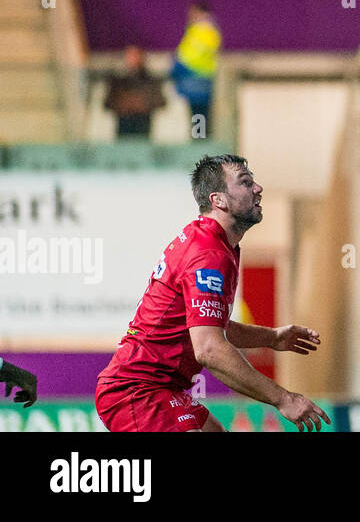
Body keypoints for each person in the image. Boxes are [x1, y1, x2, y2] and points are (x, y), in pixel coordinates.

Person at [95, 155, 329, 432]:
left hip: (162, 389)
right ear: (219, 200)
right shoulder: (208, 254)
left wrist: (273, 337)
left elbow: (212, 326)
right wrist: (283, 398)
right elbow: (209, 349)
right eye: (246, 182)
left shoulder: (214, 243)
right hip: (136, 392)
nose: (258, 188)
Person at [171, 1, 220, 137]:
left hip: (199, 81)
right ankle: (199, 144)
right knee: (197, 118)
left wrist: (179, 65)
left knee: (199, 119)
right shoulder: (199, 30)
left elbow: (194, 55)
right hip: (196, 82)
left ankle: (201, 150)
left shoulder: (204, 31)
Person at [104, 44, 166, 138]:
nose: (133, 59)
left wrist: (143, 104)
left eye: (136, 55)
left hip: (143, 127)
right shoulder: (118, 81)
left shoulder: (151, 80)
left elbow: (161, 102)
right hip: (123, 128)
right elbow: (107, 103)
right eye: (130, 55)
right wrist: (124, 104)